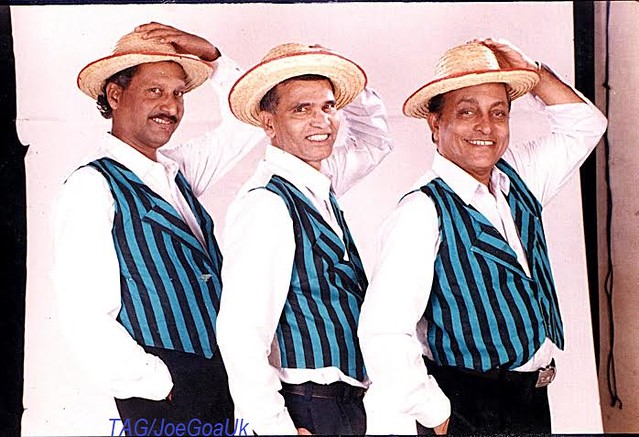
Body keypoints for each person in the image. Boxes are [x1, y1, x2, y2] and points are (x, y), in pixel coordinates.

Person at [357, 38, 607, 435]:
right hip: (465, 407)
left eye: (499, 112)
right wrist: (440, 417)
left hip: (530, 401)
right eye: (467, 112)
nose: (485, 127)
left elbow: (587, 125)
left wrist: (532, 71)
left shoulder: (518, 178)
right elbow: (382, 331)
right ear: (436, 123)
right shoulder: (422, 211)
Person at [52, 22, 267, 432]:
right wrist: (156, 382)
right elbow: (83, 315)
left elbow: (249, 122)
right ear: (115, 95)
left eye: (178, 94)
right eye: (155, 91)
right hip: (165, 390)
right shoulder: (92, 185)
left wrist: (214, 57)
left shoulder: (177, 170)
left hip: (222, 375)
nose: (170, 106)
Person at [216, 43, 392, 435]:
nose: (322, 121)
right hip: (306, 407)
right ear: (268, 122)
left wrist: (337, 66)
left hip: (344, 403)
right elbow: (240, 333)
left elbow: (377, 141)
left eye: (328, 106)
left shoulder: (319, 181)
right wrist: (273, 427)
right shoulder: (267, 203)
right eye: (301, 109)